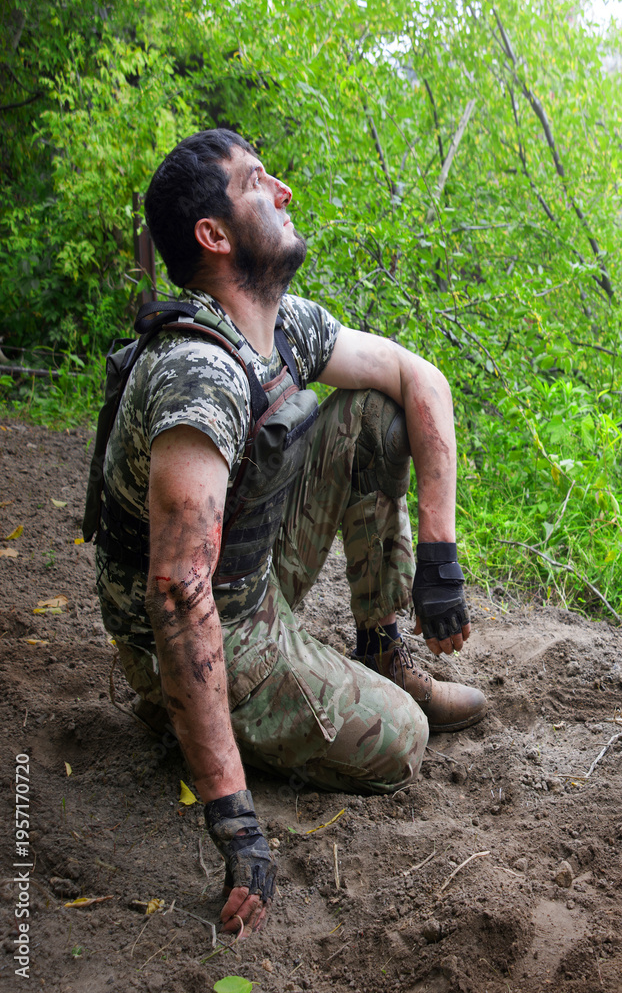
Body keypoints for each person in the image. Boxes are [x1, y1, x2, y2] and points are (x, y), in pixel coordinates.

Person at [92, 128, 486, 938]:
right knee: (400, 743)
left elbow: (421, 376)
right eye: (258, 183)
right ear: (215, 235)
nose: (284, 193)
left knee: (374, 416)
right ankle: (184, 720)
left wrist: (439, 558)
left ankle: (381, 651)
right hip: (204, 631)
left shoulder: (283, 324)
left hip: (252, 568)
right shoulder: (195, 372)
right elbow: (176, 592)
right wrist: (235, 822)